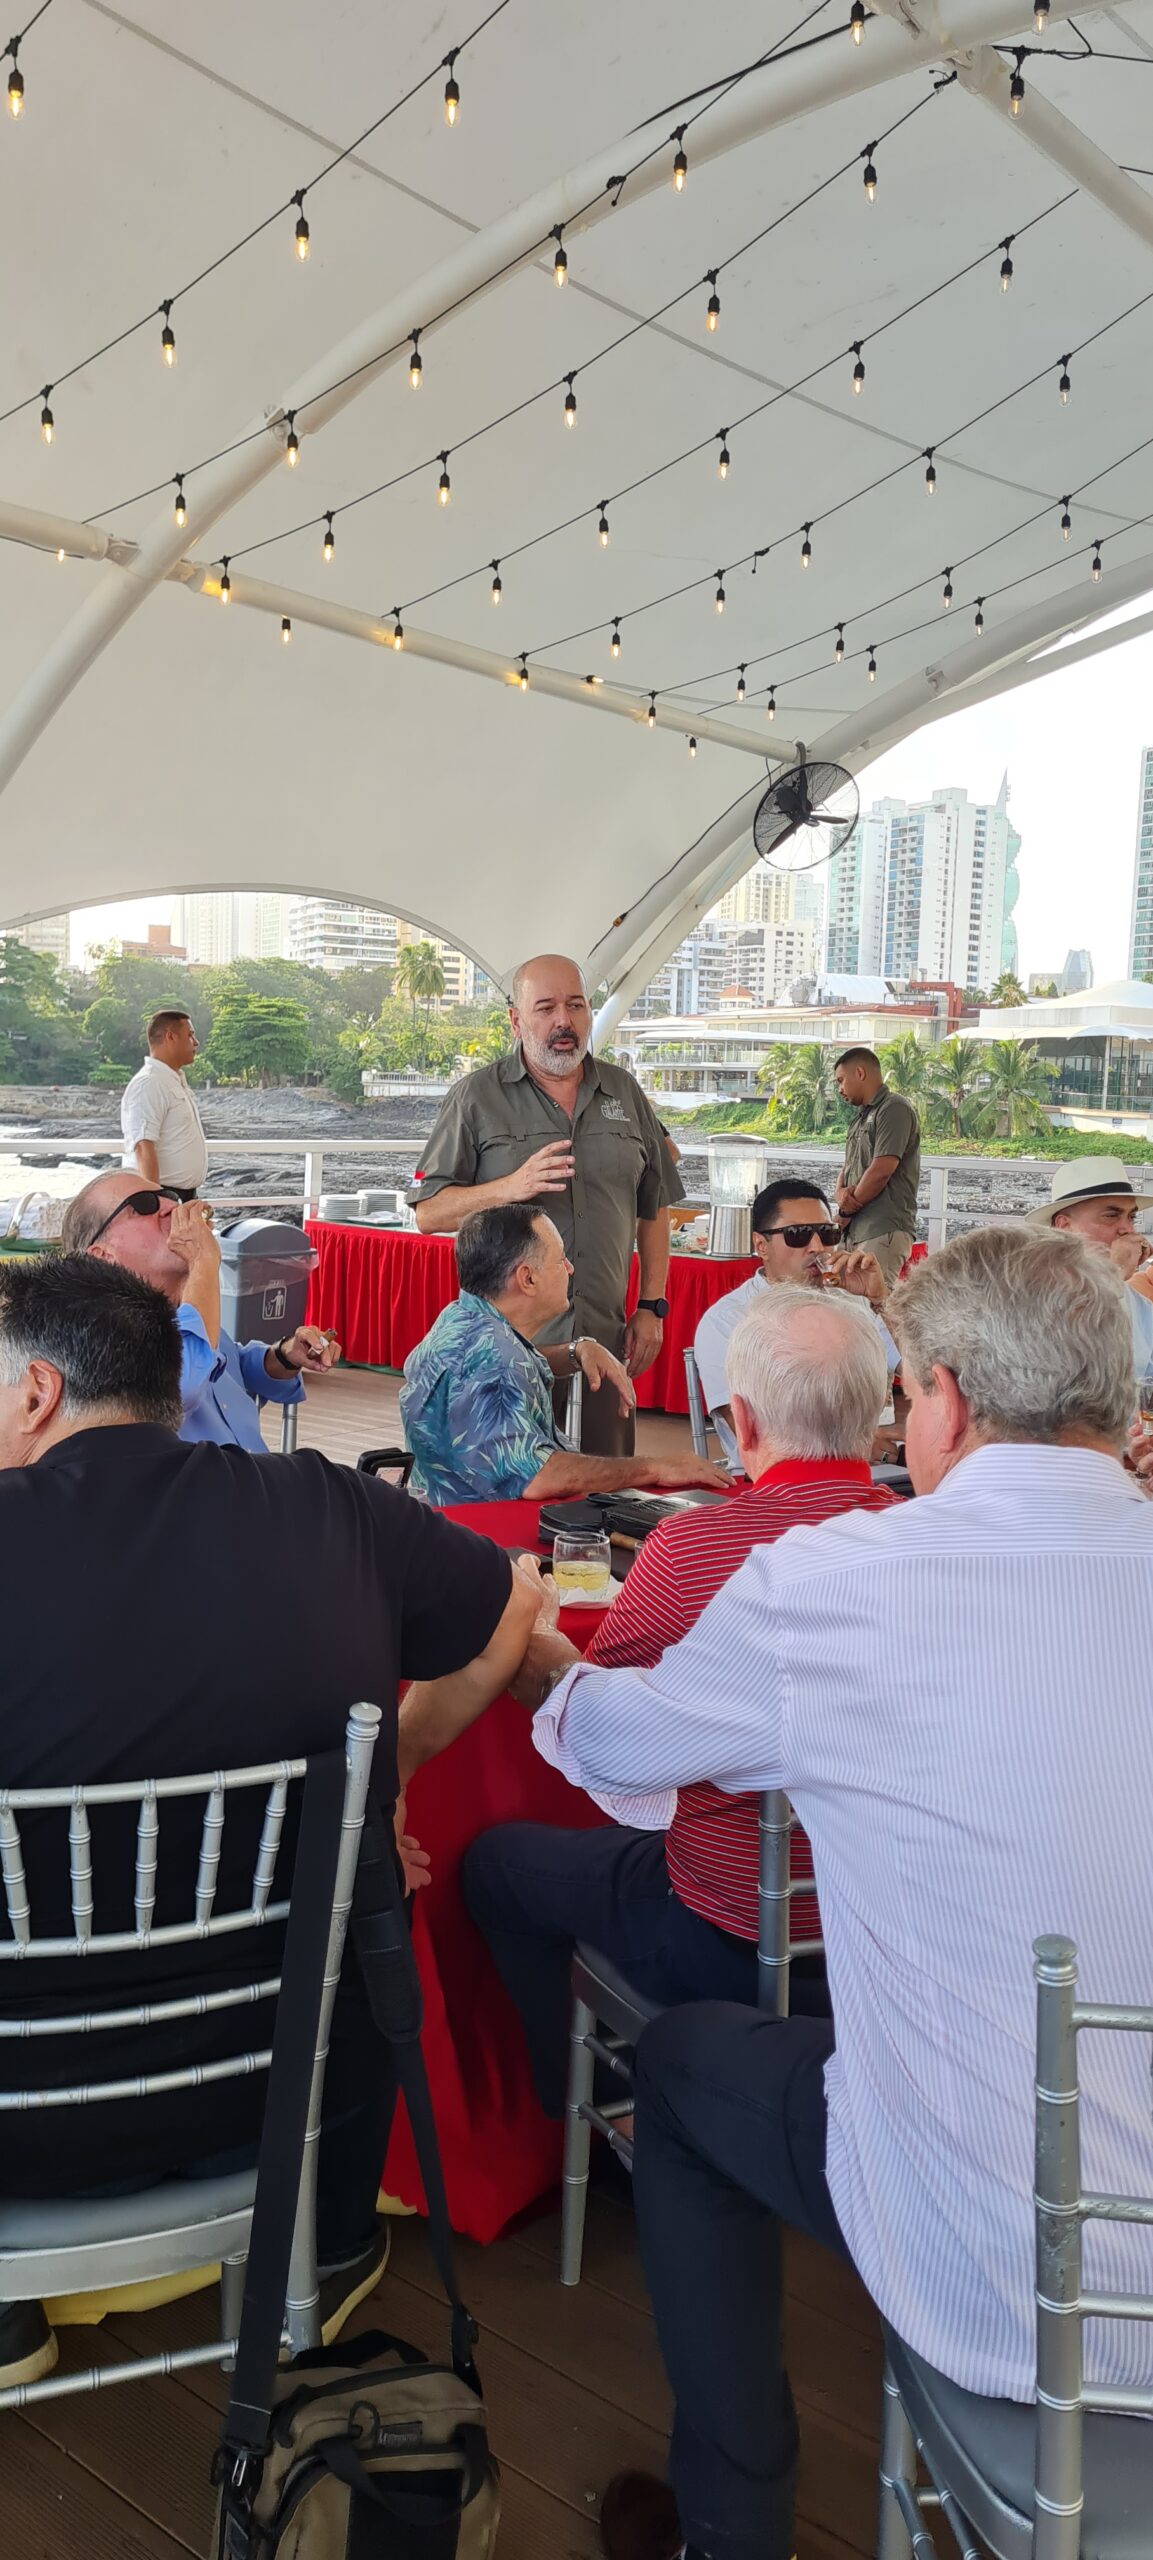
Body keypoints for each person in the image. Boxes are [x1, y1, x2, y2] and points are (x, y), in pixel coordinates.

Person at [485, 1223, 1153, 2560]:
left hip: (1024, 2293)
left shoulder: (843, 1591)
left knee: (679, 2063)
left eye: (912, 1394)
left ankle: (731, 2530)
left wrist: (548, 1659)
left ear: (946, 1399)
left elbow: (620, 1747)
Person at [0, 1253, 539, 2392]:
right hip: (272, 2088)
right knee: (358, 1906)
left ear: (37, 1393)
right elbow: (513, 1609)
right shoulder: (331, 1505)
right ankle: (332, 2244)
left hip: (26, 2120)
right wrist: (372, 1792)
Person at [442, 1288, 895, 2115]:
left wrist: (538, 1639)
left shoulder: (695, 1545)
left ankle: (565, 2124)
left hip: (729, 1930)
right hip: (892, 1939)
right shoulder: (931, 1545)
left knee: (496, 1865)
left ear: (742, 1424)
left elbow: (603, 1728)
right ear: (879, 1412)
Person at [409, 954, 683, 1456]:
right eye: (546, 1007)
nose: (563, 1020)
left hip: (606, 1342)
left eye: (575, 1005)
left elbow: (655, 1206)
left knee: (605, 1488)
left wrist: (651, 1306)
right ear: (516, 1019)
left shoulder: (624, 1091)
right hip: (510, 1349)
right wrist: (509, 1186)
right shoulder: (475, 1097)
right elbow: (429, 1213)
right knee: (513, 1487)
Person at [399, 1202, 724, 1506]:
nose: (569, 1268)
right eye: (560, 1259)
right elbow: (540, 1477)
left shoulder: (465, 1319)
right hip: (490, 1543)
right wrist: (656, 1467)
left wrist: (576, 1350)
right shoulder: (493, 1363)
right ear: (527, 1278)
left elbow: (506, 1363)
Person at [61, 1171, 338, 1452]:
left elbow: (233, 1365)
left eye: (168, 1196)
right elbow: (183, 1386)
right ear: (103, 1256)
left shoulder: (189, 1313)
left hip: (255, 1480)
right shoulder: (96, 1337)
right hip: (201, 1492)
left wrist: (284, 1355)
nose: (173, 1206)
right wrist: (203, 1260)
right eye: (144, 1204)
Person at [692, 1176, 898, 1465]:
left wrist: (880, 1298)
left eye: (827, 1233)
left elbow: (923, 1369)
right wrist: (856, 1443)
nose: (816, 1247)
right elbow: (750, 1430)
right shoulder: (729, 1320)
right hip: (774, 1480)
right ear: (760, 1244)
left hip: (865, 1467)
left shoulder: (853, 1301)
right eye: (798, 1234)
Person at [1027, 1154, 1153, 1401]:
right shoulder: (1028, 1292)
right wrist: (1112, 1274)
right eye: (1111, 1215)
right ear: (1065, 1227)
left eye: (1131, 1216)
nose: (1127, 1229)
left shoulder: (1140, 1308)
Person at [833, 1046, 920, 1281]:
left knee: (874, 1303)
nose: (840, 1089)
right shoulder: (860, 1118)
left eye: (841, 1081)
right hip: (854, 1229)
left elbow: (882, 1170)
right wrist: (840, 1192)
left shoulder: (894, 1108)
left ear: (860, 1073)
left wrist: (847, 1208)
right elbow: (849, 1166)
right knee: (843, 1301)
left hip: (882, 1227)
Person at [120, 1008, 208, 1200]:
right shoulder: (149, 1083)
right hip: (163, 1196)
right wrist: (156, 1202)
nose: (196, 1042)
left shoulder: (171, 1079)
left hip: (182, 1196)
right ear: (171, 1037)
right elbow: (143, 1146)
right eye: (190, 1035)